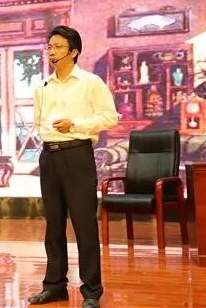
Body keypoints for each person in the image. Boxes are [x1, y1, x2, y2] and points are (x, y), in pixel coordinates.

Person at [29, 26, 118, 308]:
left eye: (57, 47)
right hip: (49, 157)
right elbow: (38, 121)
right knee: (53, 225)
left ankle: (91, 292)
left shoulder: (91, 82)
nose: (51, 51)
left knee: (84, 225)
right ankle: (55, 286)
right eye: (49, 47)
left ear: (74, 52)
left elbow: (110, 117)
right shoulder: (42, 86)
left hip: (78, 155)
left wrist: (75, 125)